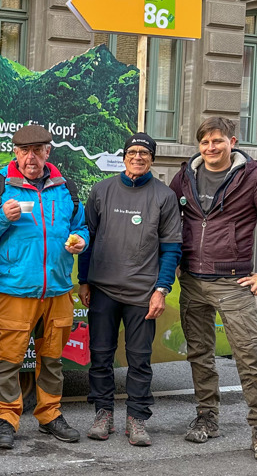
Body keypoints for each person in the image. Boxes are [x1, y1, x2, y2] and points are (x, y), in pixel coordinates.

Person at [169, 117, 257, 462]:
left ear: (232, 142)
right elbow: (168, 218)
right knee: (200, 356)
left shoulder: (252, 179)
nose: (211, 148)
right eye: (205, 142)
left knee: (250, 359)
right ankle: (207, 418)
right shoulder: (184, 178)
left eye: (218, 141)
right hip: (192, 281)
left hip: (233, 283)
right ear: (199, 146)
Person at [0, 124, 88, 450]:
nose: (31, 157)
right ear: (15, 151)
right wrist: (1, 217)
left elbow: (81, 227)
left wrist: (81, 242)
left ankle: (49, 415)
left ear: (49, 151)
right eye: (25, 150)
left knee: (52, 360)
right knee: (9, 359)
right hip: (14, 291)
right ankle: (5, 418)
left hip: (58, 290)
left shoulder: (67, 188)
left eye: (38, 150)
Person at [76, 133, 182, 446]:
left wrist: (162, 288)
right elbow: (87, 238)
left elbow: (172, 248)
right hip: (103, 290)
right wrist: (84, 280)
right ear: (124, 157)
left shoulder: (163, 196)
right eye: (132, 152)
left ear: (152, 159)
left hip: (143, 293)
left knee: (139, 360)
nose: (138, 157)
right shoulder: (102, 190)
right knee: (100, 356)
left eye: (144, 153)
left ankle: (136, 418)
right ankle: (103, 413)